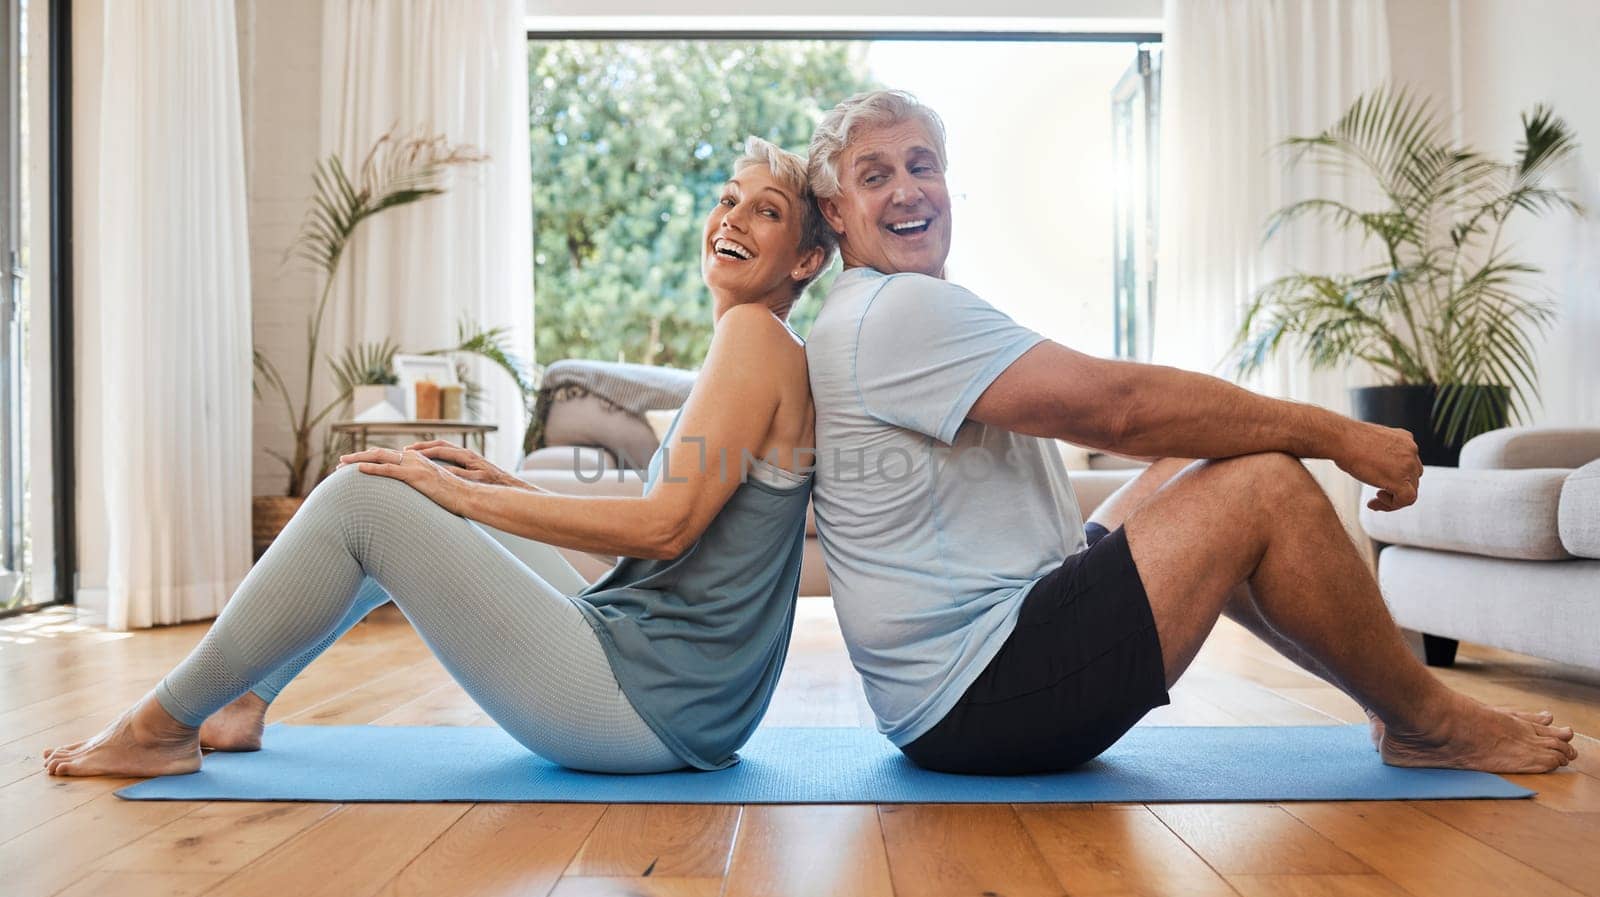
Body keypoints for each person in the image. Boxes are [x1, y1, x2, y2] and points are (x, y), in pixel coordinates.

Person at [802, 90, 1577, 776]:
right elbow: (1119, 408)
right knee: (1262, 483)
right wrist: (1336, 433)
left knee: (1206, 456)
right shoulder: (893, 310)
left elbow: (1137, 418)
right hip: (985, 696)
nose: (909, 190)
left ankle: (1391, 704)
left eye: (922, 165)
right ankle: (1430, 721)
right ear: (836, 213)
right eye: (876, 176)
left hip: (971, 679)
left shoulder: (881, 309)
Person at [43, 137, 831, 777]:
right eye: (729, 197)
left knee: (369, 498)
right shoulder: (752, 345)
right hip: (661, 678)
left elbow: (664, 529)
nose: (733, 217)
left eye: (767, 212)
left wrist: (464, 502)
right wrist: (492, 484)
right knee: (423, 481)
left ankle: (161, 724)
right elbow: (678, 541)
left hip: (642, 705)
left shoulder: (755, 337)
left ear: (804, 262)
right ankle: (242, 701)